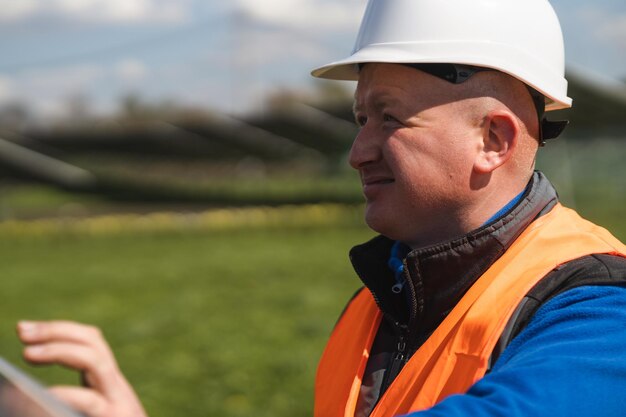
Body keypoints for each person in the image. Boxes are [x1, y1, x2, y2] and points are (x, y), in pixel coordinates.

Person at [16, 0, 626, 416]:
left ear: (494, 140)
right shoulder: (380, 300)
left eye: (390, 118)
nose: (358, 152)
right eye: (361, 118)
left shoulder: (601, 310)